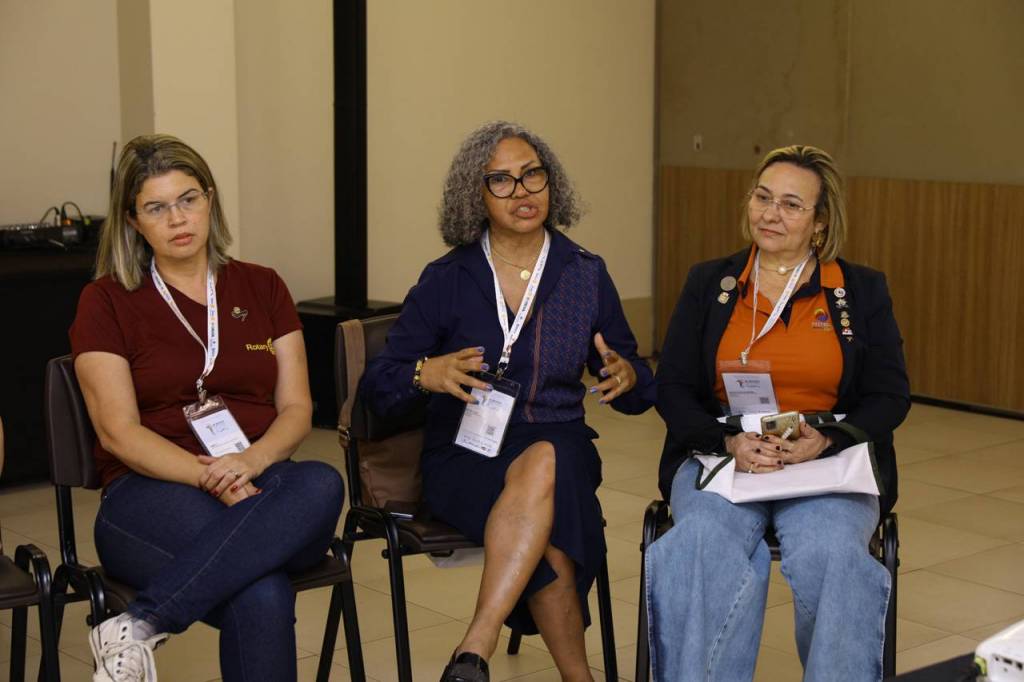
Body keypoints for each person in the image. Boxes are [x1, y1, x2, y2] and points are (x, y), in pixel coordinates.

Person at [360, 120, 655, 682]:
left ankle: (476, 644)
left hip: (560, 438)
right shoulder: (448, 278)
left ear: (551, 182)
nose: (521, 191)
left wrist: (629, 377)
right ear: (476, 195)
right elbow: (379, 386)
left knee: (547, 458)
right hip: (466, 451)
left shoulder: (584, 273)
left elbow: (636, 386)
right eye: (501, 180)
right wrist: (427, 372)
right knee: (555, 527)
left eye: (532, 175)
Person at [70, 134, 344, 682]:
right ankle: (144, 622)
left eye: (188, 199)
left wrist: (249, 463)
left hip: (260, 477)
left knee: (321, 482)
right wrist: (212, 478)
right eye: (156, 207)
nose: (177, 218)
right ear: (133, 221)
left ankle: (140, 623)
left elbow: (297, 407)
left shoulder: (263, 286)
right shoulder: (106, 300)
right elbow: (119, 432)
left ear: (210, 200)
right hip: (149, 491)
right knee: (262, 589)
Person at [646, 145, 910, 681]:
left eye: (791, 205)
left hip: (823, 457)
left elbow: (890, 395)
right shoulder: (711, 282)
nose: (770, 214)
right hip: (724, 450)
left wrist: (828, 439)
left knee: (834, 552)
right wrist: (726, 443)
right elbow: (671, 386)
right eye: (762, 197)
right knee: (700, 544)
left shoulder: (859, 290)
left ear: (820, 221)